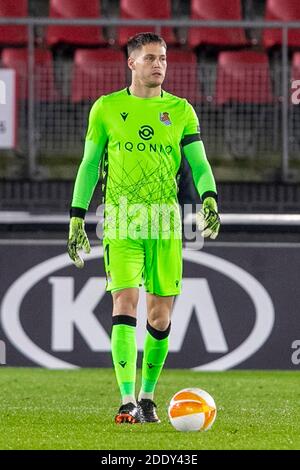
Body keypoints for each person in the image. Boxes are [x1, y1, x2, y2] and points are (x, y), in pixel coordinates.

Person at [67, 32, 220, 424]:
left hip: (165, 222)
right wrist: (76, 214)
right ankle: (126, 400)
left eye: (163, 58)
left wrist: (209, 197)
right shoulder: (106, 108)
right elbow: (88, 165)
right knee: (123, 303)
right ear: (131, 63)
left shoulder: (181, 110)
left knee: (160, 316)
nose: (159, 64)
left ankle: (149, 396)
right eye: (150, 58)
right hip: (121, 220)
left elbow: (198, 164)